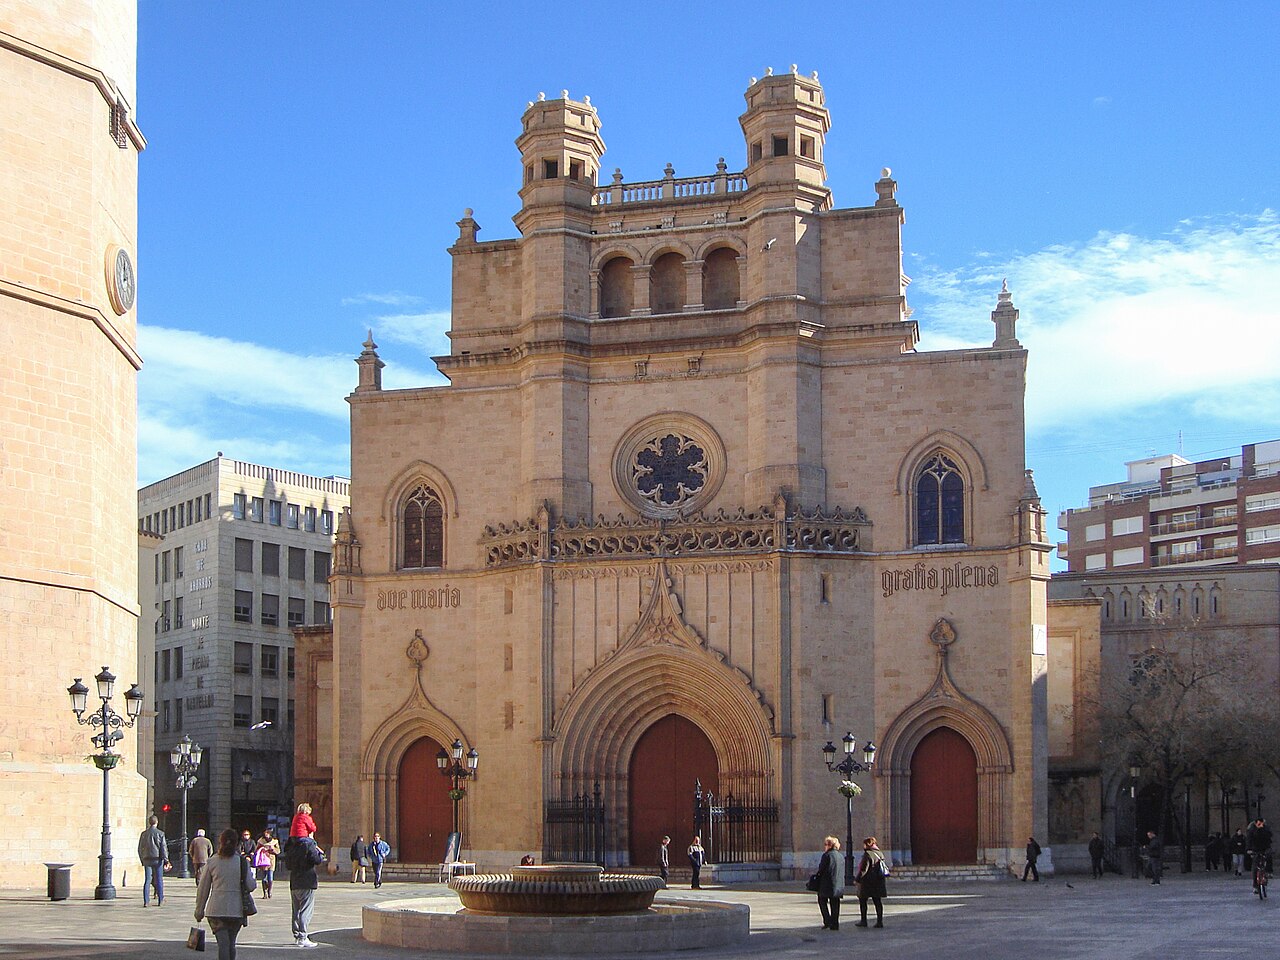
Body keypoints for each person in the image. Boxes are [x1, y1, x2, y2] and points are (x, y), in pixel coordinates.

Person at [195, 828, 254, 960]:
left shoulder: (212, 861)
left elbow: (203, 888)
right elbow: (251, 886)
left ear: (220, 842)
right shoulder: (242, 862)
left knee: (223, 945)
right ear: (236, 843)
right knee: (231, 944)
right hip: (236, 910)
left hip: (216, 910)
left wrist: (199, 910)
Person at [283, 832, 325, 948]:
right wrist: (319, 852)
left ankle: (297, 936)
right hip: (307, 881)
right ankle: (303, 937)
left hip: (294, 882)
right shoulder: (309, 844)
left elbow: (288, 865)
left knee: (296, 910)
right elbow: (316, 859)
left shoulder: (291, 845)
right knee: (306, 910)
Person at [853, 836, 887, 928]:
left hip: (868, 882)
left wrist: (857, 880)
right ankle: (879, 921)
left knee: (863, 901)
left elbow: (864, 869)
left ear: (867, 844)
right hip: (879, 881)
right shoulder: (880, 853)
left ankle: (863, 921)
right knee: (877, 901)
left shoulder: (868, 854)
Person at [137, 814, 168, 907]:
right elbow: (163, 848)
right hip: (157, 859)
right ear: (157, 822)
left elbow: (140, 848)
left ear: (149, 822)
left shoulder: (144, 834)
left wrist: (142, 859)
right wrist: (166, 859)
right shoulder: (160, 833)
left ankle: (146, 901)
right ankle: (160, 899)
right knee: (159, 879)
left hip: (147, 859)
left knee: (147, 880)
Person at [816, 836, 844, 931]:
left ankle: (827, 920)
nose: (824, 846)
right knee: (835, 903)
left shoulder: (827, 855)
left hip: (826, 883)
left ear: (830, 845)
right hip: (838, 883)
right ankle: (835, 923)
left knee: (822, 901)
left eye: (825, 844)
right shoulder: (840, 856)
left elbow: (821, 869)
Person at [253, 830, 280, 898]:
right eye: (265, 834)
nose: (266, 835)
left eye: (268, 834)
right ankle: (264, 892)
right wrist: (262, 849)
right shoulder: (261, 841)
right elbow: (256, 850)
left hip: (271, 860)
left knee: (270, 877)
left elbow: (278, 851)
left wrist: (273, 849)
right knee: (264, 878)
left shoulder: (274, 841)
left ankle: (269, 891)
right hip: (263, 860)